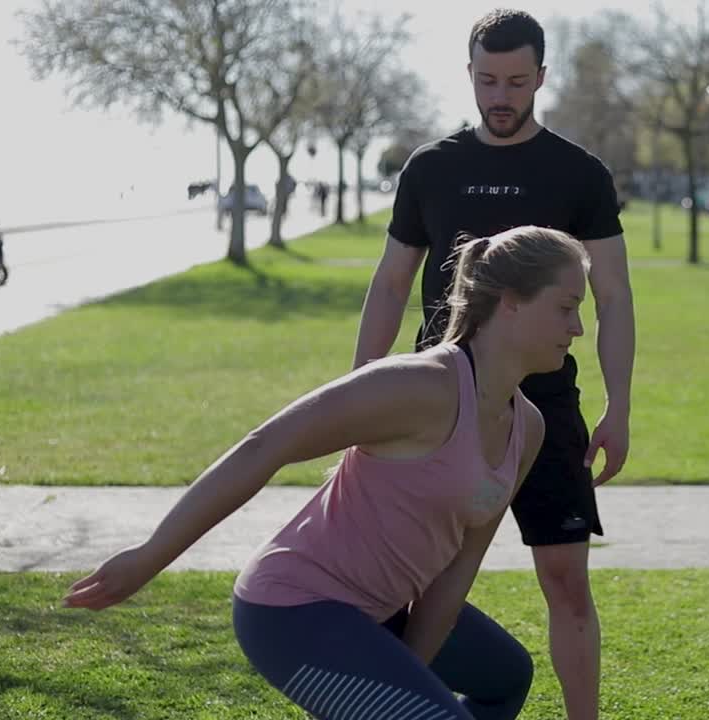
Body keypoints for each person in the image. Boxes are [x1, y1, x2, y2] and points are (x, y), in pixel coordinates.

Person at [62, 226, 594, 720]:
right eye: (567, 307)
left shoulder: (528, 426)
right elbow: (264, 446)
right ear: (512, 303)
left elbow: (456, 572)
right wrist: (148, 558)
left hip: (380, 612)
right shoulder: (417, 387)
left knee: (506, 677)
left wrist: (402, 672)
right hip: (293, 608)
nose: (577, 327)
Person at [350, 10, 635, 720]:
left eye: (515, 81)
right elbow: (390, 285)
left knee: (567, 583)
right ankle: (404, 706)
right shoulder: (432, 167)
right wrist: (360, 392)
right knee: (416, 581)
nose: (499, 95)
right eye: (486, 80)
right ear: (469, 75)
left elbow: (614, 295)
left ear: (541, 76)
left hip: (546, 411)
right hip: (437, 409)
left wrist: (620, 407)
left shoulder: (580, 174)